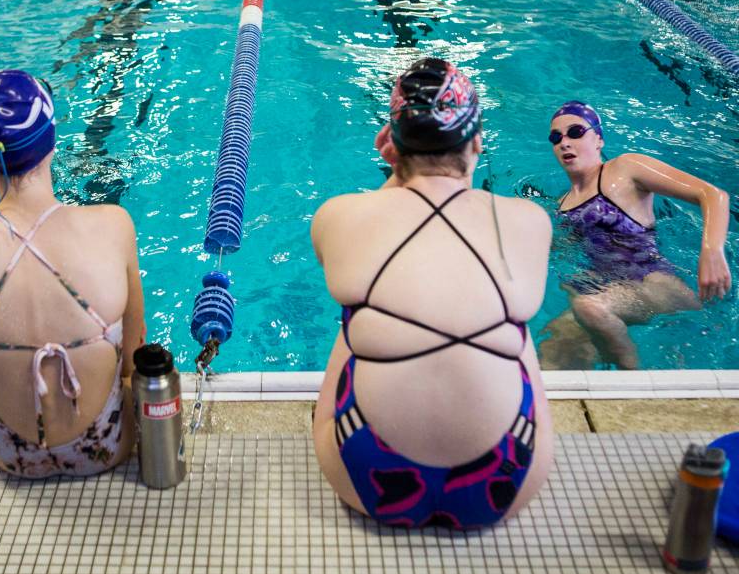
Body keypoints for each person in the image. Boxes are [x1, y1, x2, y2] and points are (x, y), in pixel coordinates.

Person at [311, 58, 553, 530]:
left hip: (366, 473)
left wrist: (396, 172)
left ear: (394, 145)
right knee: (513, 324)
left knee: (358, 314)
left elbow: (380, 239)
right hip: (506, 477)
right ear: (477, 141)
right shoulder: (529, 221)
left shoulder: (338, 215)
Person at [0, 70, 145, 478]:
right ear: (51, 141)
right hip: (107, 446)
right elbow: (133, 361)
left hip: (9, 456)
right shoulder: (113, 224)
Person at [540, 102, 731, 370]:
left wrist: (712, 250)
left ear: (598, 139)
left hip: (655, 285)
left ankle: (634, 382)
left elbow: (712, 195)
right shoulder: (562, 204)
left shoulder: (625, 169)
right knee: (553, 348)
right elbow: (567, 267)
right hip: (611, 295)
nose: (564, 143)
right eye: (556, 137)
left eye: (575, 132)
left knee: (589, 308)